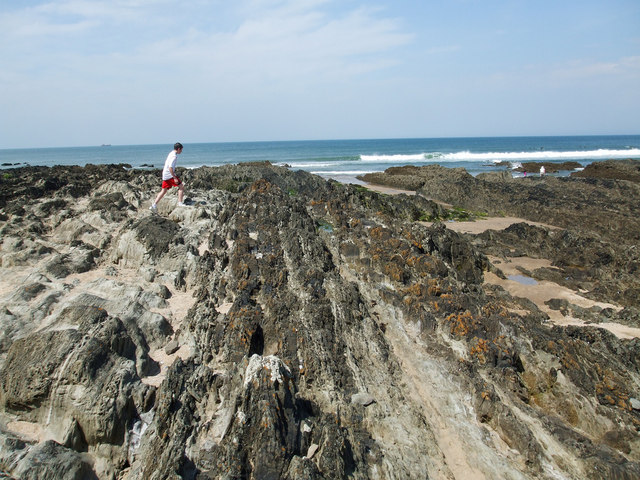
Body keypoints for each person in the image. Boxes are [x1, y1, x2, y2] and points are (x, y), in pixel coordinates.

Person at [150, 142, 185, 211]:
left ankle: (154, 205)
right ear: (178, 149)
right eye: (181, 150)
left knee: (163, 190)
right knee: (181, 187)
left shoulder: (171, 153)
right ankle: (180, 203)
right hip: (169, 175)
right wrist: (174, 177)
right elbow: (170, 167)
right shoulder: (174, 156)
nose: (181, 151)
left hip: (165, 175)